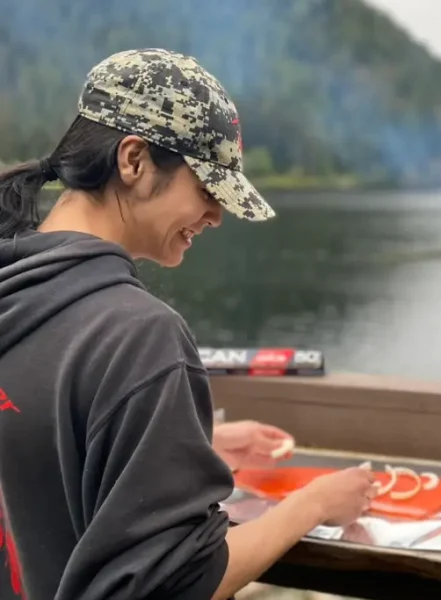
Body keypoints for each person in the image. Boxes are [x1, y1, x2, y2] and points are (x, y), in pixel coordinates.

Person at [0, 48, 377, 600]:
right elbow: (171, 583)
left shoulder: (17, 293)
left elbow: (33, 448)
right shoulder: (137, 336)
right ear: (134, 160)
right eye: (206, 190)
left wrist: (193, 444)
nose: (217, 216)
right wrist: (313, 504)